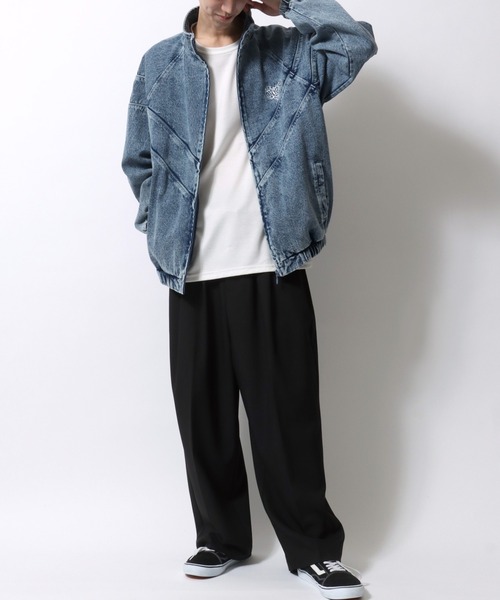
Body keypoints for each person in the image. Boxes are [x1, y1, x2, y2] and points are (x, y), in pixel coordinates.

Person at [122, 1, 376, 598]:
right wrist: (160, 224)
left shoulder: (288, 54)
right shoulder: (159, 65)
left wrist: (288, 5)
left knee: (286, 417)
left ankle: (314, 550)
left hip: (272, 259)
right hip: (192, 267)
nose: (229, 5)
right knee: (203, 417)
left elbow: (355, 43)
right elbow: (139, 161)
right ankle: (219, 538)